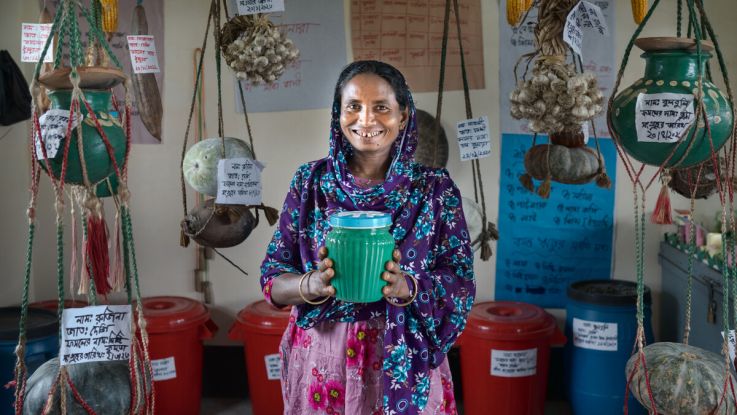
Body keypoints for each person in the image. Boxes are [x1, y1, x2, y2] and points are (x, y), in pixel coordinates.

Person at [260, 60, 475, 415]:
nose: (366, 120)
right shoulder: (311, 183)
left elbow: (461, 281)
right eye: (354, 107)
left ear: (403, 115)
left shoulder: (435, 190)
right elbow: (271, 277)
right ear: (338, 114)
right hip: (323, 358)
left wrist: (411, 287)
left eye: (381, 108)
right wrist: (309, 284)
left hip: (404, 358)